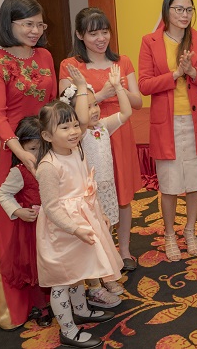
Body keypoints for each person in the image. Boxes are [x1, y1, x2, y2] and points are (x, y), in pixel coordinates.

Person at [0, 0, 57, 329]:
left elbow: (51, 102)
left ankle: (52, 293)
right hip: (11, 149)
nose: (35, 30)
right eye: (28, 24)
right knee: (17, 223)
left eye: (39, 24)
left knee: (50, 215)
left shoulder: (45, 56)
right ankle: (18, 303)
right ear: (9, 24)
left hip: (44, 144)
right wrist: (20, 151)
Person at [59, 8, 143, 273]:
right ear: (79, 35)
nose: (101, 38)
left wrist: (118, 90)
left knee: (123, 194)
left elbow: (138, 102)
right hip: (87, 137)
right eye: (93, 33)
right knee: (90, 195)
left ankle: (124, 251)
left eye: (104, 32)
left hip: (119, 131)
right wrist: (103, 93)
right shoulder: (70, 66)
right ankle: (99, 252)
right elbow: (66, 108)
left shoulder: (122, 62)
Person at [36, 100, 122, 348]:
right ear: (47, 135)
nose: (73, 131)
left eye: (75, 125)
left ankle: (81, 310)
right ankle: (68, 330)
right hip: (62, 231)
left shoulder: (77, 151)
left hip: (83, 220)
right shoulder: (48, 166)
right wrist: (74, 228)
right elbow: (51, 207)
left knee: (79, 272)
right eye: (64, 128)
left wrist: (100, 212)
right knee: (63, 280)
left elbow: (87, 185)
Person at [138, 0, 197, 261]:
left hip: (196, 121)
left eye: (189, 9)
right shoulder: (150, 41)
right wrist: (175, 74)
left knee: (196, 181)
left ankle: (190, 230)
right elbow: (144, 85)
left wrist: (193, 72)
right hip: (166, 123)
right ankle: (170, 234)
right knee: (169, 184)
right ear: (167, 10)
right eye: (178, 9)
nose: (184, 14)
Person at [62, 64, 132, 307]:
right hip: (89, 196)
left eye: (95, 104)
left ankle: (107, 273)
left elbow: (126, 112)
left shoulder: (102, 126)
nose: (93, 110)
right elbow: (81, 119)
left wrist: (118, 87)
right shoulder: (78, 133)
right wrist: (82, 86)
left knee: (106, 233)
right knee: (94, 238)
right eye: (88, 106)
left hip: (106, 191)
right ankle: (98, 281)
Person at [0, 116, 52, 327]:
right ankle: (41, 307)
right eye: (32, 149)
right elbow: (3, 194)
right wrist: (18, 211)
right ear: (21, 149)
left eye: (42, 148)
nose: (37, 154)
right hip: (32, 231)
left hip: (53, 226)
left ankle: (57, 300)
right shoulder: (19, 172)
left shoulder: (52, 165)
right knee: (35, 269)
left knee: (54, 263)